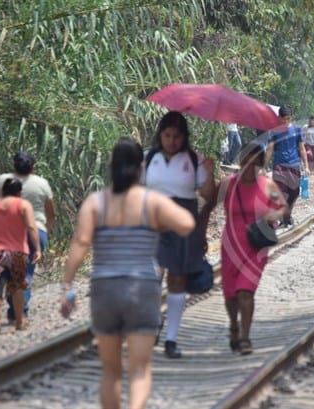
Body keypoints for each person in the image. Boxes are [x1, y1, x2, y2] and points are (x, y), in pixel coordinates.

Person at [60, 137, 195, 409]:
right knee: (139, 370)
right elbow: (187, 223)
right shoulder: (151, 201)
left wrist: (66, 286)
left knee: (110, 371)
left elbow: (81, 243)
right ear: (140, 168)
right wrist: (158, 223)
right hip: (142, 289)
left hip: (104, 290)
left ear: (111, 166)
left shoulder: (95, 203)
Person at [143, 111, 216, 359]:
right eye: (167, 135)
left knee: (177, 281)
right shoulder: (148, 159)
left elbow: (209, 197)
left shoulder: (195, 161)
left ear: (184, 137)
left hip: (183, 225)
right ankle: (153, 320)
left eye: (176, 136)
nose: (171, 140)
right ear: (160, 135)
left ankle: (171, 340)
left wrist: (209, 173)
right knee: (152, 277)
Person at [214, 142, 288, 355]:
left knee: (246, 291)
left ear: (260, 163)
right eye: (245, 161)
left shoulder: (268, 186)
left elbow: (283, 207)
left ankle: (245, 336)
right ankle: (233, 325)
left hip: (255, 246)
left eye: (254, 162)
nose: (248, 166)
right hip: (230, 244)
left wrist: (274, 215)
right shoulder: (227, 184)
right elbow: (208, 204)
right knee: (230, 295)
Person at [0, 151, 55, 323]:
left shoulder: (2, 180)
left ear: (14, 165)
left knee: (2, 278)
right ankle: (20, 312)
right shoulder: (42, 184)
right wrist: (44, 231)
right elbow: (51, 213)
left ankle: (13, 312)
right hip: (35, 231)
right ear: (33, 166)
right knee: (25, 273)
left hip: (3, 235)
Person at [0, 178, 41, 334]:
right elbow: (31, 227)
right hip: (17, 251)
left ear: (3, 191)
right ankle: (20, 320)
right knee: (16, 286)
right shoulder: (23, 205)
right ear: (19, 192)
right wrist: (37, 248)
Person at [265, 105, 310, 227]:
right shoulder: (274, 131)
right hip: (279, 165)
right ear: (279, 118)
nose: (285, 121)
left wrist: (306, 166)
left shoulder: (297, 130)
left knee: (294, 192)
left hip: (294, 165)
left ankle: (287, 214)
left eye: (288, 118)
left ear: (291, 118)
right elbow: (270, 149)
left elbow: (301, 148)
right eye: (283, 119)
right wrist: (263, 166)